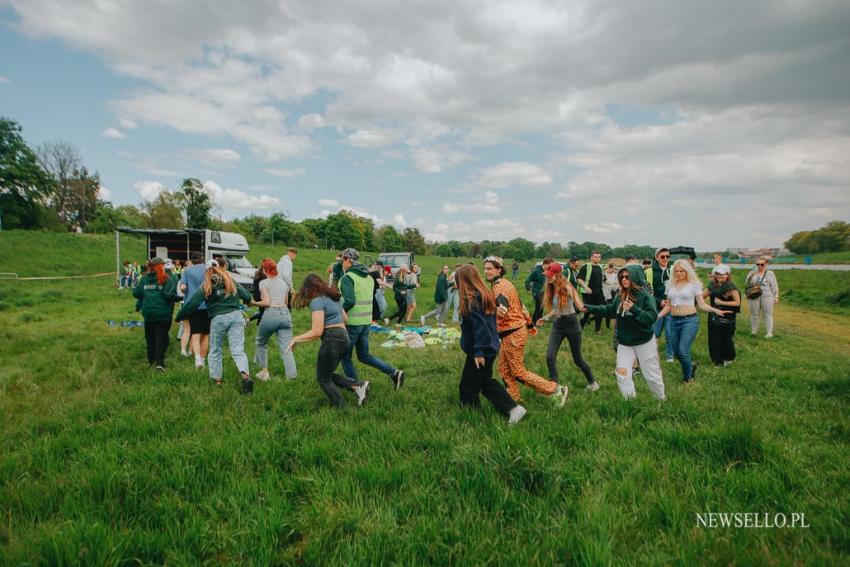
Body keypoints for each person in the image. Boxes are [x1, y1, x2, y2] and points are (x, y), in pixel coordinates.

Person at [484, 256, 569, 406]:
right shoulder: (506, 283)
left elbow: (502, 310)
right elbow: (521, 305)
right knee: (503, 369)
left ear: (499, 270)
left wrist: (487, 318)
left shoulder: (499, 286)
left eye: (490, 268)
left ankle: (555, 389)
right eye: (485, 268)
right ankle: (514, 399)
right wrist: (530, 325)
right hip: (515, 332)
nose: (486, 271)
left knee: (518, 371)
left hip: (513, 334)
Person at [455, 264, 527, 424]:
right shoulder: (484, 295)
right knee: (485, 383)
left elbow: (480, 328)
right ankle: (513, 409)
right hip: (490, 347)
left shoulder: (471, 300)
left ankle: (471, 418)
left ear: (463, 281)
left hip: (480, 351)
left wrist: (478, 352)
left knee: (468, 386)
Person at [584, 265, 666, 401]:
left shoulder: (645, 296)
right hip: (625, 342)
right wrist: (589, 308)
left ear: (636, 277)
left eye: (628, 276)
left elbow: (651, 318)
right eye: (621, 277)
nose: (624, 279)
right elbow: (610, 310)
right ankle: (630, 402)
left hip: (643, 341)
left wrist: (634, 309)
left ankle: (661, 400)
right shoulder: (620, 294)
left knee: (651, 375)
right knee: (622, 373)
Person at [287, 274, 371, 408]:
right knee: (327, 373)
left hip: (332, 339)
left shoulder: (317, 301)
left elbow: (317, 331)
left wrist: (296, 338)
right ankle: (357, 386)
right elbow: (345, 318)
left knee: (323, 379)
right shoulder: (334, 298)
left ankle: (342, 407)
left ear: (308, 289)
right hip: (344, 337)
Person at [176, 262, 255, 393]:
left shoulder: (207, 284)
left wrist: (179, 316)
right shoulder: (231, 281)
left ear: (207, 273)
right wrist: (249, 302)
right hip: (236, 317)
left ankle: (217, 380)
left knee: (215, 350)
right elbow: (247, 296)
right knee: (237, 349)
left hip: (218, 318)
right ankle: (246, 377)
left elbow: (193, 303)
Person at [339, 249, 406, 390]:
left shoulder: (347, 278)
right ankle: (394, 373)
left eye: (342, 260)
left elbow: (349, 301)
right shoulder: (368, 277)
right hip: (366, 323)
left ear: (348, 260)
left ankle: (358, 387)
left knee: (345, 357)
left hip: (352, 324)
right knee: (364, 355)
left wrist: (338, 313)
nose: (341, 263)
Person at [656, 260, 731, 382]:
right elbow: (668, 306)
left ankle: (688, 377)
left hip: (689, 321)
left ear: (687, 271)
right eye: (676, 271)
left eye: (682, 271)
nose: (679, 273)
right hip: (673, 321)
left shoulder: (694, 285)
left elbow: (702, 304)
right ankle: (691, 365)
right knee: (676, 352)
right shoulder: (669, 285)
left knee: (683, 350)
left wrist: (715, 311)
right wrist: (658, 316)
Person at [535, 262, 598, 391]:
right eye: (547, 275)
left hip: (572, 324)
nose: (548, 278)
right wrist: (545, 318)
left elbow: (580, 305)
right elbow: (556, 310)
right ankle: (555, 388)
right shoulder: (551, 287)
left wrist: (597, 308)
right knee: (550, 357)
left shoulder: (567, 287)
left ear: (558, 274)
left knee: (578, 359)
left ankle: (593, 383)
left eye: (550, 275)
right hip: (558, 325)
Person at [253, 258, 297, 381]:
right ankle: (292, 376)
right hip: (285, 313)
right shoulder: (283, 283)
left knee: (261, 342)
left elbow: (267, 302)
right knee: (286, 347)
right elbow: (286, 302)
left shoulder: (263, 283)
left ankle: (264, 372)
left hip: (271, 313)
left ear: (264, 270)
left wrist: (254, 303)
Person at [132, 257, 179, 371]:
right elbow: (169, 295)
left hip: (148, 313)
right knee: (161, 338)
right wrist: (180, 297)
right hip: (162, 314)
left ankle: (151, 359)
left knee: (150, 337)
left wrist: (147, 293)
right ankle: (160, 363)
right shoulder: (165, 279)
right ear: (160, 266)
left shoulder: (143, 280)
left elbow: (136, 294)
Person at [179, 252, 212, 369]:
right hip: (207, 305)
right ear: (202, 259)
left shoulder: (187, 271)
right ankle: (203, 360)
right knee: (206, 335)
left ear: (191, 260)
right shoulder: (208, 270)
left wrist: (187, 293)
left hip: (193, 305)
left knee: (195, 333)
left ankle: (197, 359)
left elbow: (183, 287)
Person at [705, 264, 740, 367]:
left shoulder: (731, 287)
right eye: (717, 273)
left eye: (721, 274)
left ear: (727, 275)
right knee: (714, 339)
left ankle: (729, 357)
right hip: (714, 316)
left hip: (728, 317)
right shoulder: (712, 285)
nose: (719, 276)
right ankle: (718, 362)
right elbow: (702, 296)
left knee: (727, 339)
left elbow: (737, 303)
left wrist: (721, 302)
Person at [646, 248, 674, 362]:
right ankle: (651, 355)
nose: (665, 259)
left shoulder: (673, 269)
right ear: (656, 257)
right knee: (654, 333)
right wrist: (659, 302)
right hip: (656, 307)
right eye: (663, 256)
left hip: (672, 307)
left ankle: (670, 356)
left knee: (670, 333)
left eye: (668, 256)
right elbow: (647, 292)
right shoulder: (649, 272)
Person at [746, 256, 780, 338]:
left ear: (766, 264)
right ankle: (754, 331)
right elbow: (747, 283)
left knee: (768, 314)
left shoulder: (770, 273)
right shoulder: (752, 272)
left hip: (767, 295)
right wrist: (751, 276)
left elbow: (774, 286)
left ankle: (769, 332)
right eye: (758, 264)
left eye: (762, 264)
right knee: (754, 314)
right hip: (754, 295)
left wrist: (776, 296)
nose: (760, 266)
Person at [578, 251, 605, 333]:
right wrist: (586, 287)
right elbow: (579, 279)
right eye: (595, 257)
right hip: (588, 293)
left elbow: (602, 279)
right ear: (591, 257)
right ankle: (580, 327)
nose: (597, 258)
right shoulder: (586, 266)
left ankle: (597, 329)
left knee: (599, 310)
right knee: (587, 311)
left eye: (599, 257)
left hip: (599, 293)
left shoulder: (601, 267)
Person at [525, 257, 550, 325]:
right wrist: (529, 289)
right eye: (549, 265)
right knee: (539, 306)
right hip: (536, 291)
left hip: (544, 292)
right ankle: (534, 322)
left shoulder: (548, 271)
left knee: (542, 306)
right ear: (545, 264)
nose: (550, 267)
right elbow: (528, 280)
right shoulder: (536, 271)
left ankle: (539, 321)